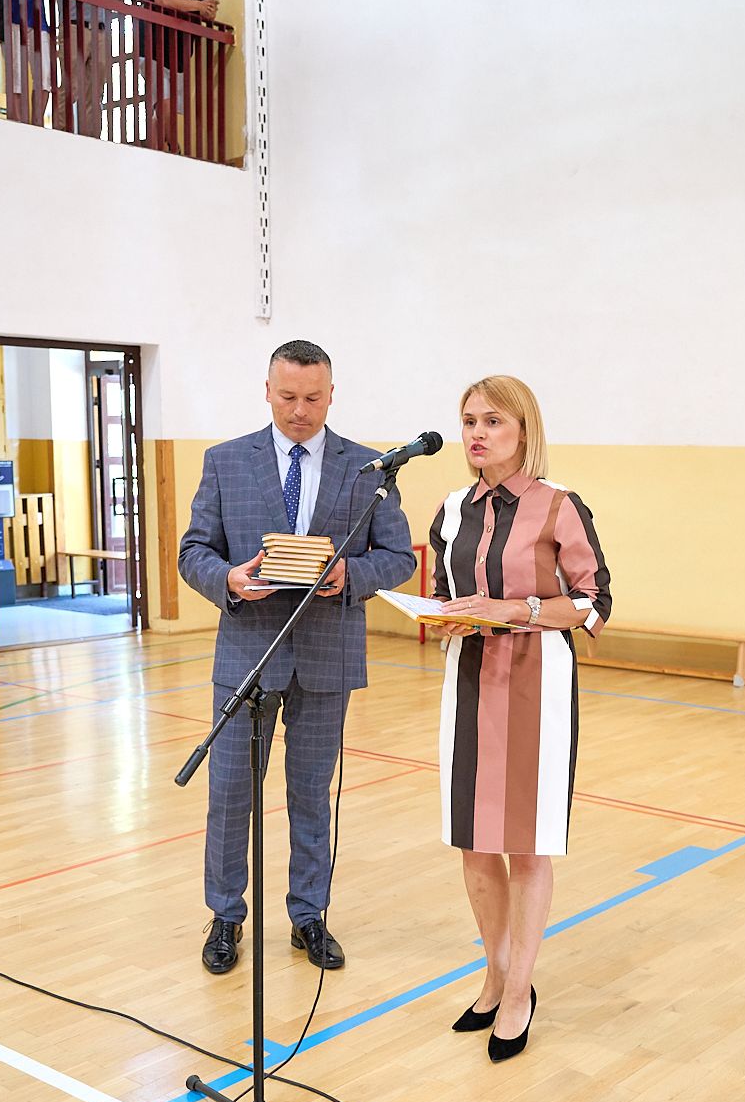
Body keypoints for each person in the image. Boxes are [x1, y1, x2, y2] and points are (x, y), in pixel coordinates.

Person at [177, 341, 417, 975]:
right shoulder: (226, 461)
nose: (300, 410)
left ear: (332, 395)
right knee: (231, 793)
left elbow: (399, 557)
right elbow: (193, 551)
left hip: (326, 655)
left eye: (313, 398)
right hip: (248, 655)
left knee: (312, 795)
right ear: (267, 391)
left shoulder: (368, 469)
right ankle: (225, 915)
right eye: (287, 397)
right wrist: (229, 579)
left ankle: (309, 914)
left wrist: (351, 575)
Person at [428, 376, 611, 1062]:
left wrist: (521, 610)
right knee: (475, 843)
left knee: (527, 846)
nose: (477, 433)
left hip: (538, 684)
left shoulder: (560, 505)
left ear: (524, 430)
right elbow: (445, 593)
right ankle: (496, 973)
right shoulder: (450, 510)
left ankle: (518, 993)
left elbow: (593, 602)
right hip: (469, 681)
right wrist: (447, 617)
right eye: (469, 420)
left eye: (493, 421)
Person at [142, 0, 216, 150]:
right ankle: (172, 147)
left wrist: (209, 10)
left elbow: (206, 13)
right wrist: (198, 5)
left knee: (167, 109)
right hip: (153, 51)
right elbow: (163, 0)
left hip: (180, 57)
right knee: (164, 102)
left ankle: (160, 149)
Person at [46, 0, 113, 137]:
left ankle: (92, 138)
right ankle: (61, 135)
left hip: (100, 27)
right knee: (71, 84)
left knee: (96, 89)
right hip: (73, 24)